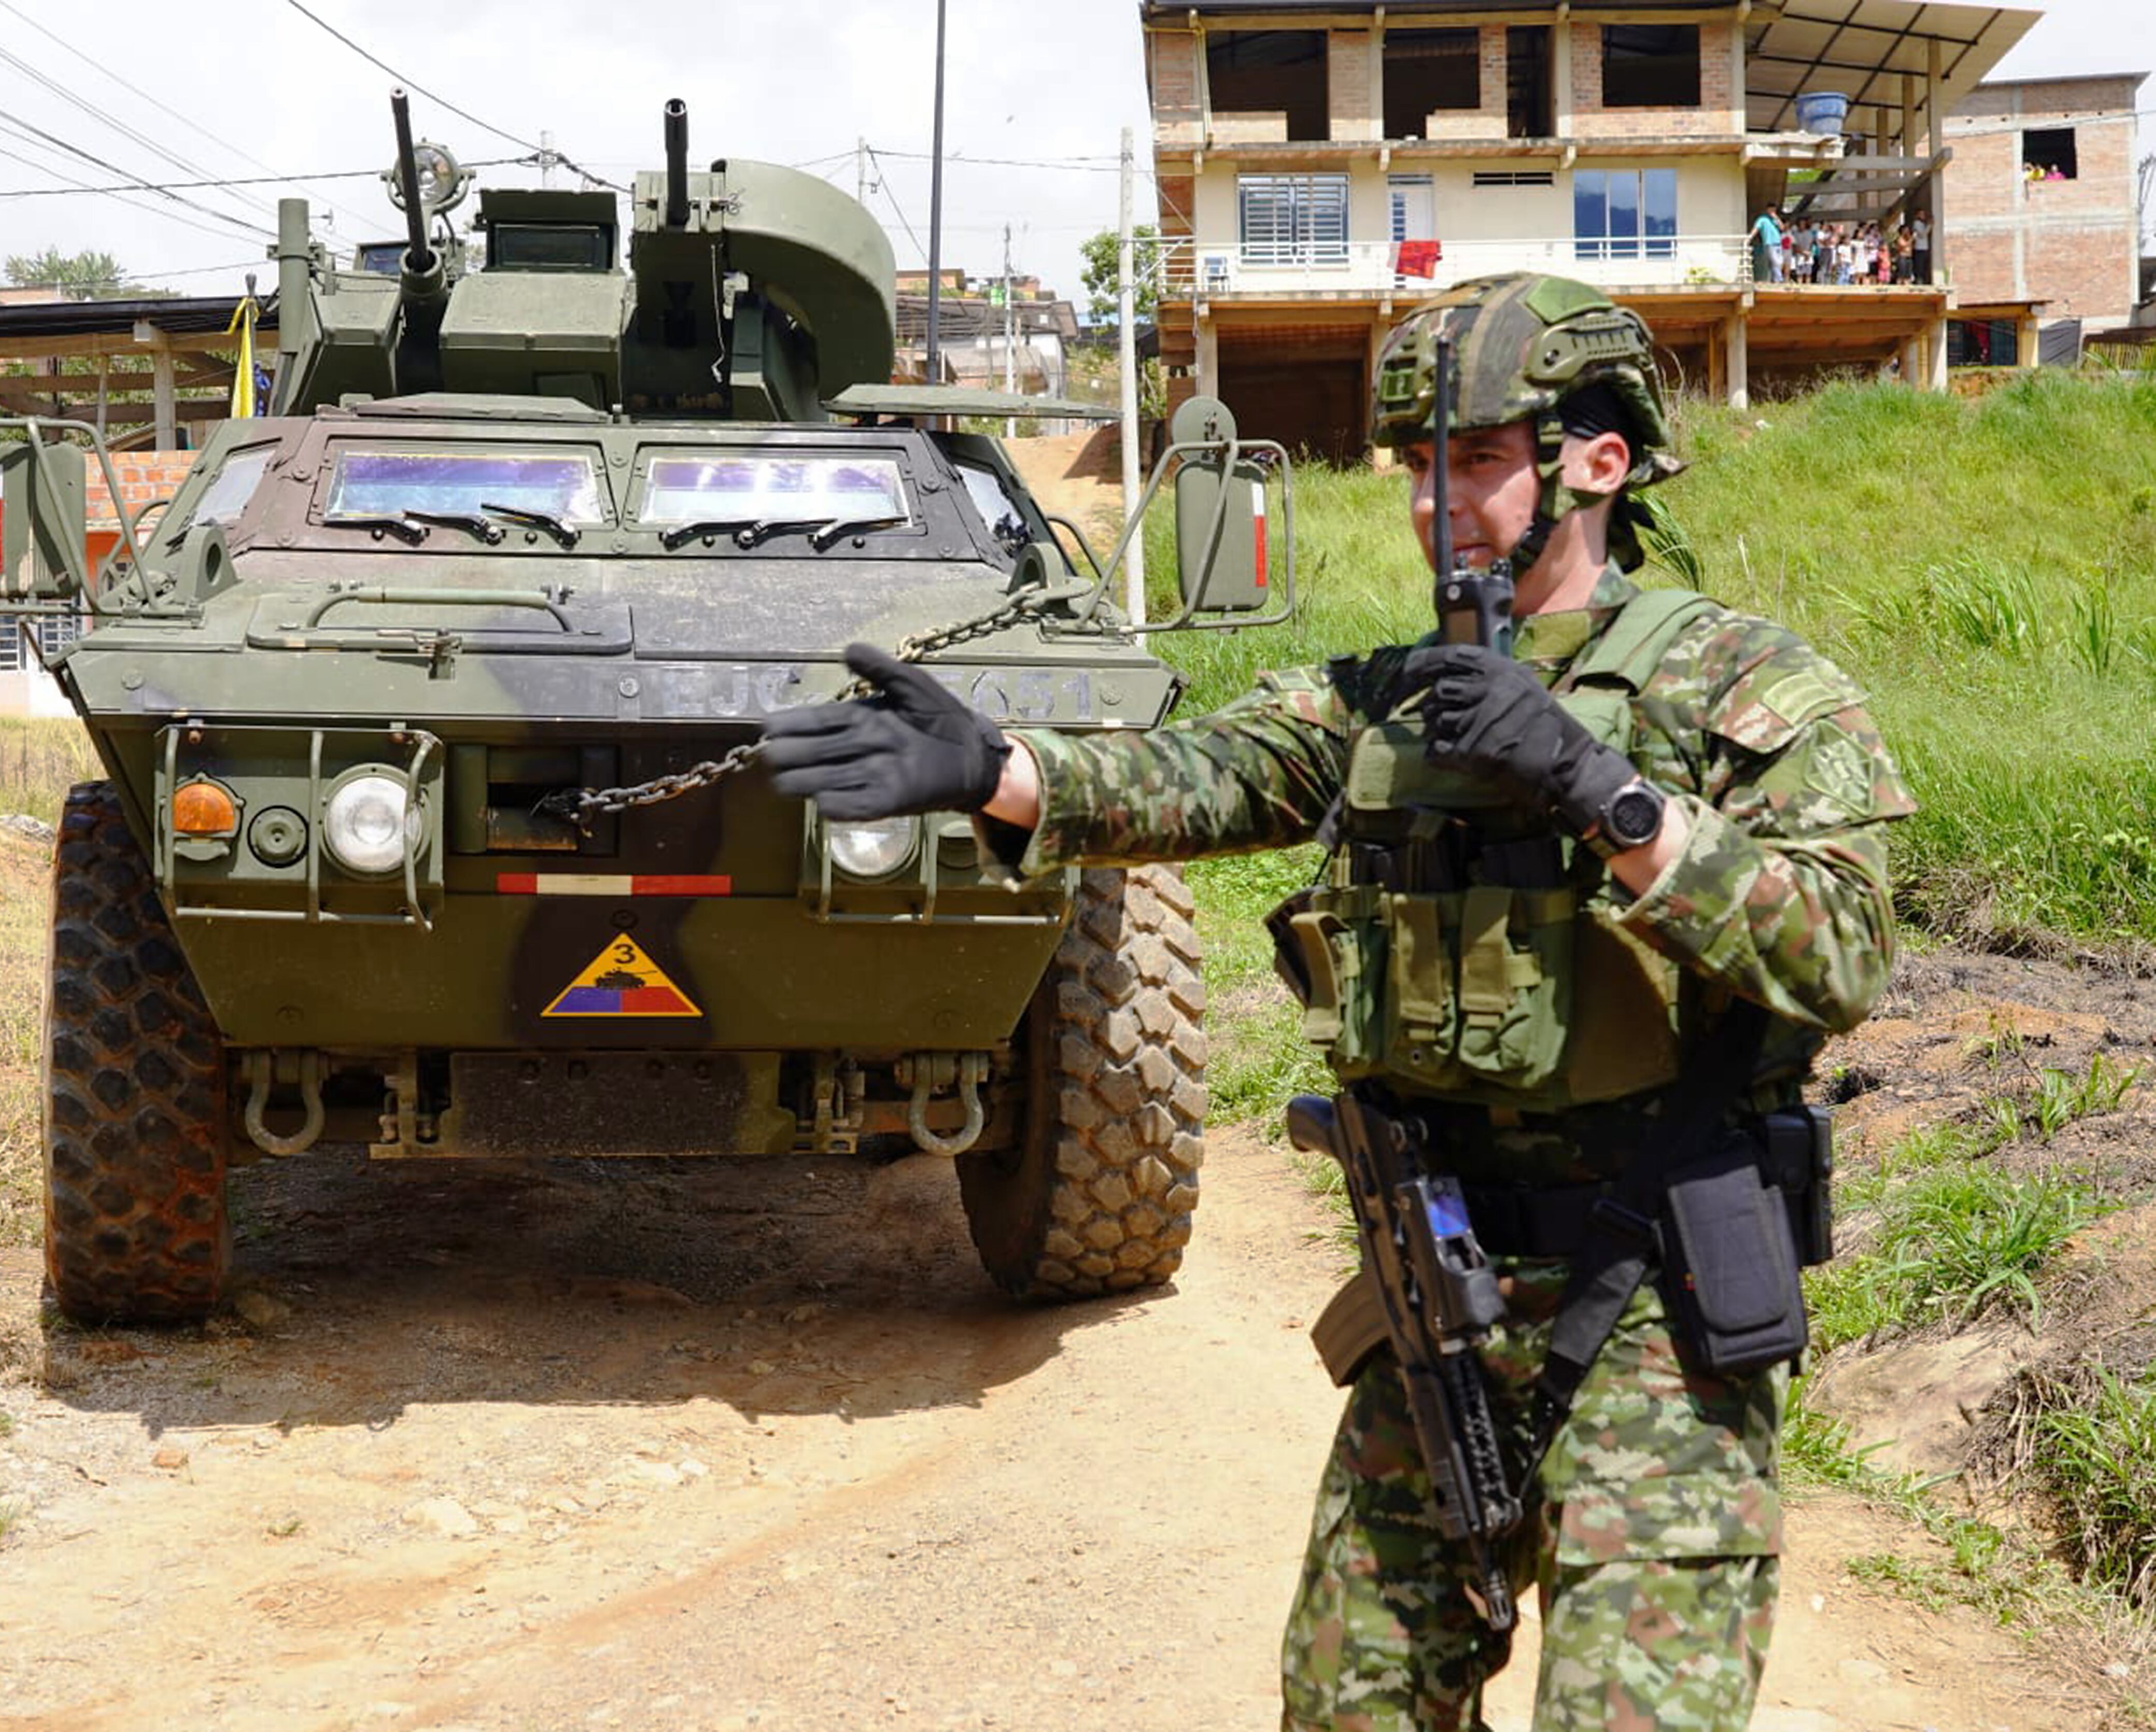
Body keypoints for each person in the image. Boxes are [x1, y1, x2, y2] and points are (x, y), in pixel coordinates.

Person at [761, 272, 1914, 1732]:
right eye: (1419, 463)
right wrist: (999, 770)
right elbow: (1209, 775)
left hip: (1661, 1298)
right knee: (1349, 1698)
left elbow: (1844, 952)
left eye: (1480, 458)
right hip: (1441, 1292)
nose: (1440, 499)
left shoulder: (1742, 681)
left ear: (1599, 462)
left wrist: (1605, 794)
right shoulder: (1389, 697)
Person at [1748, 204, 1782, 282]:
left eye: (1774, 210)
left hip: (1778, 243)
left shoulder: (1775, 220)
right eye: (1771, 210)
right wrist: (1750, 238)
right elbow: (1756, 228)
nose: (1773, 212)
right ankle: (1778, 279)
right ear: (1767, 210)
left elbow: (1782, 228)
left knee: (1778, 262)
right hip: (1769, 243)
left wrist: (1777, 218)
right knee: (1774, 261)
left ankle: (1775, 279)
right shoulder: (1762, 219)